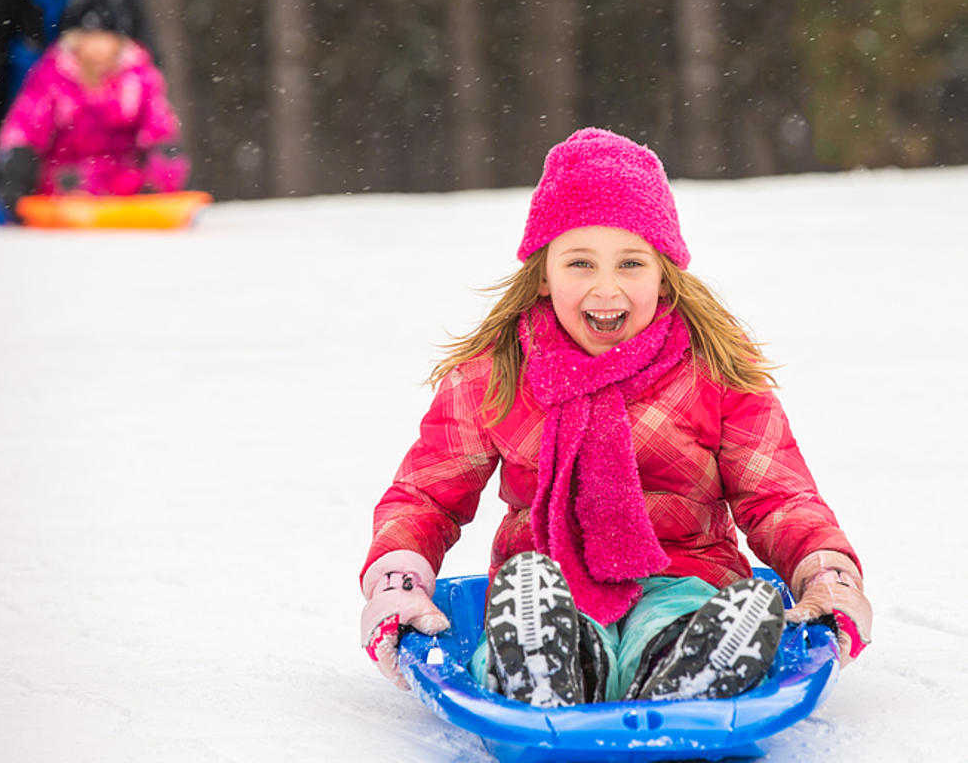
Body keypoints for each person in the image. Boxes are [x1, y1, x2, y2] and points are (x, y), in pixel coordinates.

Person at [359, 128, 872, 706]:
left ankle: (692, 658)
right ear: (544, 274)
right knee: (543, 611)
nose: (607, 287)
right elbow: (426, 495)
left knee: (676, 613)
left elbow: (778, 496)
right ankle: (540, 661)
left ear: (664, 273)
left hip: (687, 576)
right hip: (547, 584)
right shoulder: (496, 375)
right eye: (580, 262)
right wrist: (397, 582)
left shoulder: (713, 371)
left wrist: (825, 573)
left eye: (631, 262)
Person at [0, 0, 187, 224]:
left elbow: (160, 129)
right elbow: (25, 131)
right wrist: (14, 180)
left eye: (105, 38)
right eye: (88, 38)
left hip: (125, 183)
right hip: (66, 182)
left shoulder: (138, 77)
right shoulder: (53, 78)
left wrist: (162, 179)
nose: (97, 49)